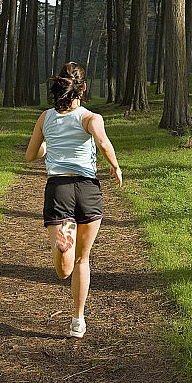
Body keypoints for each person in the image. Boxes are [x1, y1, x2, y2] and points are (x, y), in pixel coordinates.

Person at [24, 61, 123, 338]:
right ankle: (78, 320)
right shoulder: (91, 118)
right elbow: (103, 142)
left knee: (62, 270)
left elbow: (31, 155)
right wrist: (115, 166)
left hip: (59, 188)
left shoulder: (45, 118)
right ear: (83, 87)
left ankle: (61, 246)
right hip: (88, 190)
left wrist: (48, 144)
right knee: (83, 260)